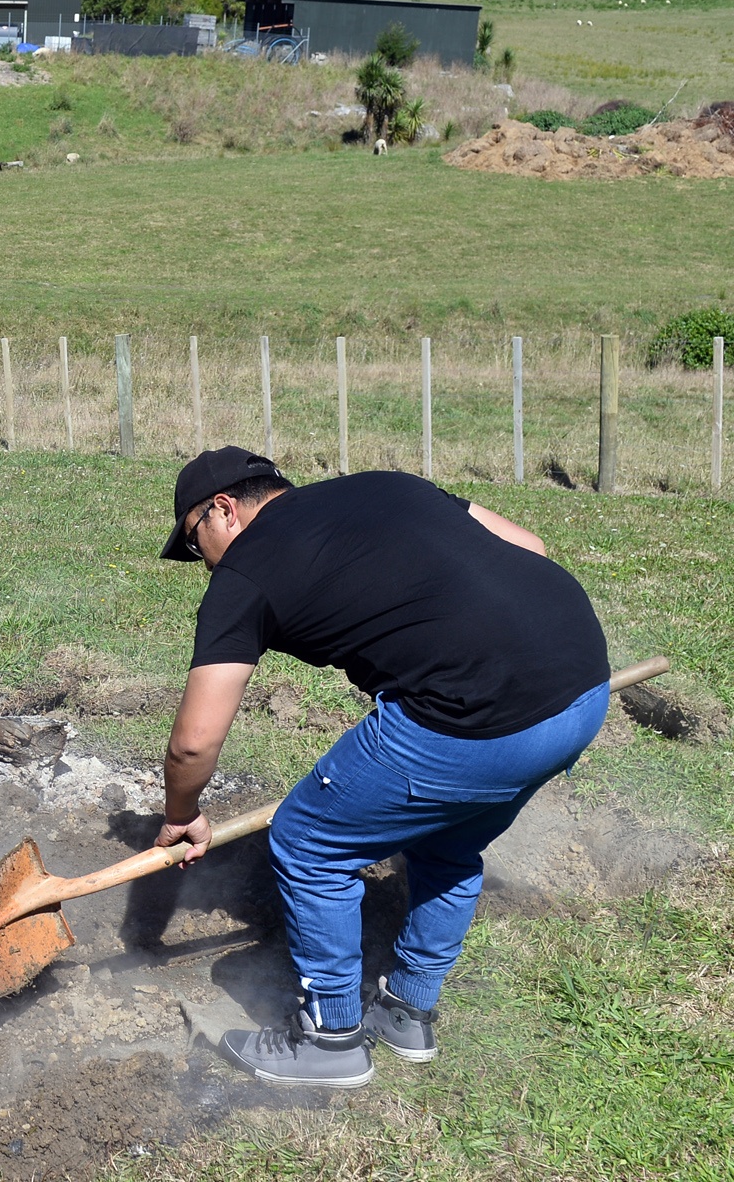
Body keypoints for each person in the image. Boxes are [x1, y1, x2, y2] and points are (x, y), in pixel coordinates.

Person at [152, 447, 609, 1088]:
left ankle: (331, 1042)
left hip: (476, 719)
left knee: (307, 841)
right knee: (448, 839)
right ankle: (408, 1012)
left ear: (223, 510)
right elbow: (529, 547)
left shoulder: (244, 571)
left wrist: (181, 814)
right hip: (582, 688)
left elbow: (192, 745)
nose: (202, 562)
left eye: (193, 541)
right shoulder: (388, 486)